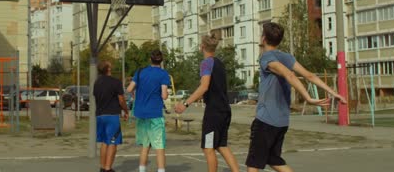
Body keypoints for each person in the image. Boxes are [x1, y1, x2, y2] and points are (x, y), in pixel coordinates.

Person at [245, 22, 347, 172]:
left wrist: (308, 98)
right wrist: (334, 93)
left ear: (264, 38)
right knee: (274, 160)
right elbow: (309, 75)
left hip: (266, 120)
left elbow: (289, 75)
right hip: (282, 121)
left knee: (253, 165)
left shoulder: (266, 57)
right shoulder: (286, 56)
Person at [175, 33, 240, 172]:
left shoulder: (206, 63)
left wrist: (185, 104)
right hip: (225, 110)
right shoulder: (220, 63)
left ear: (202, 46)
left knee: (208, 148)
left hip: (214, 113)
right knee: (221, 145)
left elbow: (204, 86)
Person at [127, 50, 171, 172]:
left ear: (150, 60)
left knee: (145, 146)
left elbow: (130, 88)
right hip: (155, 114)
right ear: (161, 61)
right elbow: (164, 95)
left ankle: (142, 170)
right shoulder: (163, 74)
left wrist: (137, 94)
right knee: (159, 146)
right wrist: (166, 93)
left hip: (141, 113)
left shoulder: (140, 72)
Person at [93, 61, 129, 172]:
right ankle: (108, 168)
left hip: (100, 115)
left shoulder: (97, 83)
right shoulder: (115, 82)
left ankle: (103, 167)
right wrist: (126, 110)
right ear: (108, 68)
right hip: (112, 116)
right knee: (113, 142)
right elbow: (121, 99)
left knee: (104, 142)